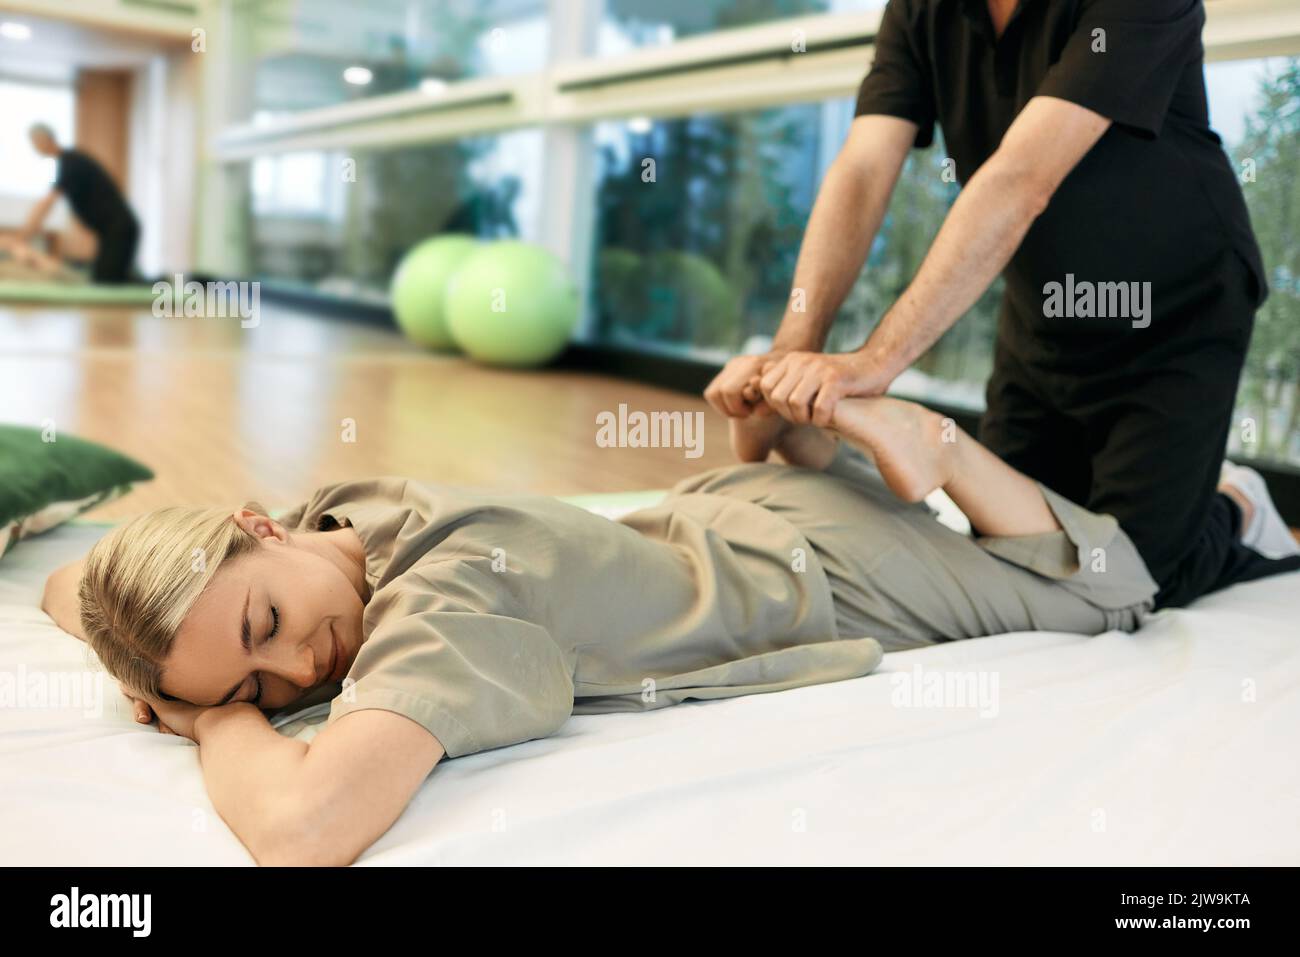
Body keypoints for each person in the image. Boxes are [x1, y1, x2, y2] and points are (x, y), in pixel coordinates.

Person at [43, 395, 1158, 865]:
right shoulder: (328, 521)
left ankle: (942, 443)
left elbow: (303, 830)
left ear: (251, 526)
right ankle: (875, 453)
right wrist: (180, 667)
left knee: (1119, 582)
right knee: (1109, 542)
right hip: (730, 505)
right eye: (256, 687)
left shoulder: (440, 609)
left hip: (836, 574)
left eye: (267, 625)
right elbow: (76, 587)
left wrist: (208, 724)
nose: (300, 668)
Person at [705, 0, 1300, 609]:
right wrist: (790, 352)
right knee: (1009, 549)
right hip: (1043, 311)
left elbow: (1020, 179)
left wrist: (874, 362)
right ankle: (1190, 495)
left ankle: (1235, 503)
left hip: (1175, 312)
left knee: (1134, 580)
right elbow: (862, 169)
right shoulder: (920, 10)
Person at [18, 123, 140, 284]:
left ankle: (165, 286)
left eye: (34, 142)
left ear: (44, 139)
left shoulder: (71, 161)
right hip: (111, 232)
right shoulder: (67, 161)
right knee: (104, 277)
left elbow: (46, 204)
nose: (34, 147)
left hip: (119, 228)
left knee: (107, 282)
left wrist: (23, 236)